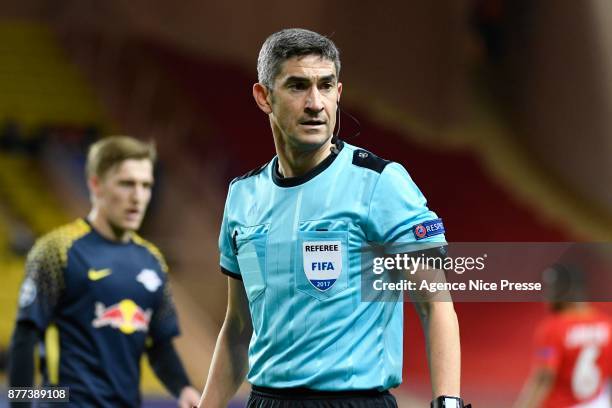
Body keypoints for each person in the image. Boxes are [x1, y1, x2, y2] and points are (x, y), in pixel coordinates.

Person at [199, 28, 468, 408]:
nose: (315, 103)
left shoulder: (380, 184)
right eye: (297, 86)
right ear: (264, 97)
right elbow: (238, 327)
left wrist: (449, 402)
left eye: (325, 86)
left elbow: (435, 304)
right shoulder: (243, 197)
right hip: (266, 401)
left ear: (338, 94)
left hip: (355, 402)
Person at [8, 136, 201, 407]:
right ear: (96, 185)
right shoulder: (57, 250)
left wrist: (183, 387)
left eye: (146, 185)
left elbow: (159, 345)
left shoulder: (152, 260)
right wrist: (23, 403)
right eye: (126, 184)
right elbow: (25, 337)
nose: (138, 196)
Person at [514, 262, 612, 408]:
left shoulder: (552, 329)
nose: (545, 295)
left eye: (551, 288)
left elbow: (543, 377)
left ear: (566, 291)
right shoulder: (607, 325)